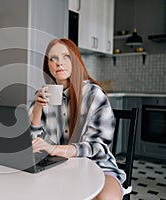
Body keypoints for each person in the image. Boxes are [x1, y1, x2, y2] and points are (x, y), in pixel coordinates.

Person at [29, 38, 126, 200]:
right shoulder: (43, 95)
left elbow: (98, 146)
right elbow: (32, 145)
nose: (59, 63)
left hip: (98, 166)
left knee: (105, 198)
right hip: (57, 167)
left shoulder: (94, 94)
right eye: (53, 59)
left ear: (75, 61)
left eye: (66, 56)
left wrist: (55, 149)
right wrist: (37, 109)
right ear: (48, 67)